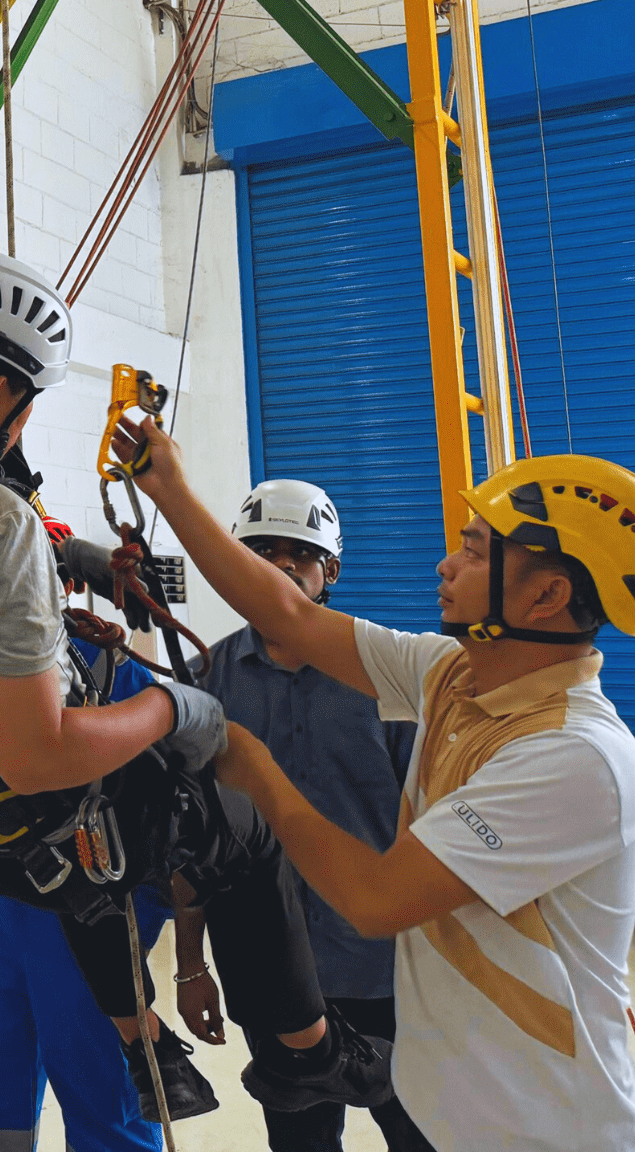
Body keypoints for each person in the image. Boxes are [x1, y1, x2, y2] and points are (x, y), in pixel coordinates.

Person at [0, 245, 391, 1120]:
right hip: (25, 811)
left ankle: (143, 1041)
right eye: (29, 403)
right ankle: (307, 1055)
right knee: (241, 824)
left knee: (90, 867)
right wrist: (171, 708)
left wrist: (76, 559)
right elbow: (41, 754)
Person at [121, 416, 635, 1152]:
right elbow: (286, 615)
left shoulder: (573, 757)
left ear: (545, 597)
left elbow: (376, 900)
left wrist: (252, 766)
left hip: (549, 1129)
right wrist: (168, 489)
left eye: (475, 553)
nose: (446, 566)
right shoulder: (450, 677)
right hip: (460, 1106)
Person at [174, 481, 434, 1152]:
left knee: (424, 1137)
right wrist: (190, 965)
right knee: (300, 1144)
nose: (281, 567)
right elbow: (196, 841)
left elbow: (429, 825)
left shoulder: (387, 678)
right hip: (269, 970)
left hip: (388, 973)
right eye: (261, 551)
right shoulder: (208, 683)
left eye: (301, 553)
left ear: (331, 571)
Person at [0, 514, 195, 1150]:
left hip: (83, 917)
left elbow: (164, 809)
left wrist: (175, 941)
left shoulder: (117, 673)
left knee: (104, 1099)